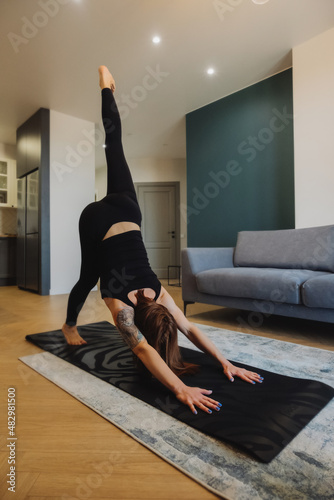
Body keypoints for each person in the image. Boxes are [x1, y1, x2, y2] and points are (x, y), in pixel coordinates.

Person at [62, 65, 264, 415]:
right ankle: (68, 325)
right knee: (88, 278)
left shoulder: (159, 292)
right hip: (94, 221)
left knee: (114, 144)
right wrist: (183, 386)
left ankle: (106, 88)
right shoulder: (121, 309)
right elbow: (144, 349)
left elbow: (187, 330)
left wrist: (222, 363)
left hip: (127, 210)